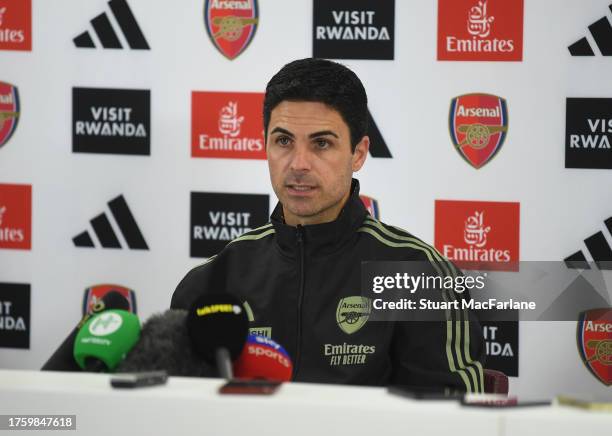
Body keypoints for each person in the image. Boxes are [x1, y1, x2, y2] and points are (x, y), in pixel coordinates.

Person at [171, 58, 485, 392]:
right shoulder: (212, 283)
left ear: (358, 153)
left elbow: (452, 420)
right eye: (283, 141)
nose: (299, 164)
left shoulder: (415, 274)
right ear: (265, 145)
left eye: (321, 143)